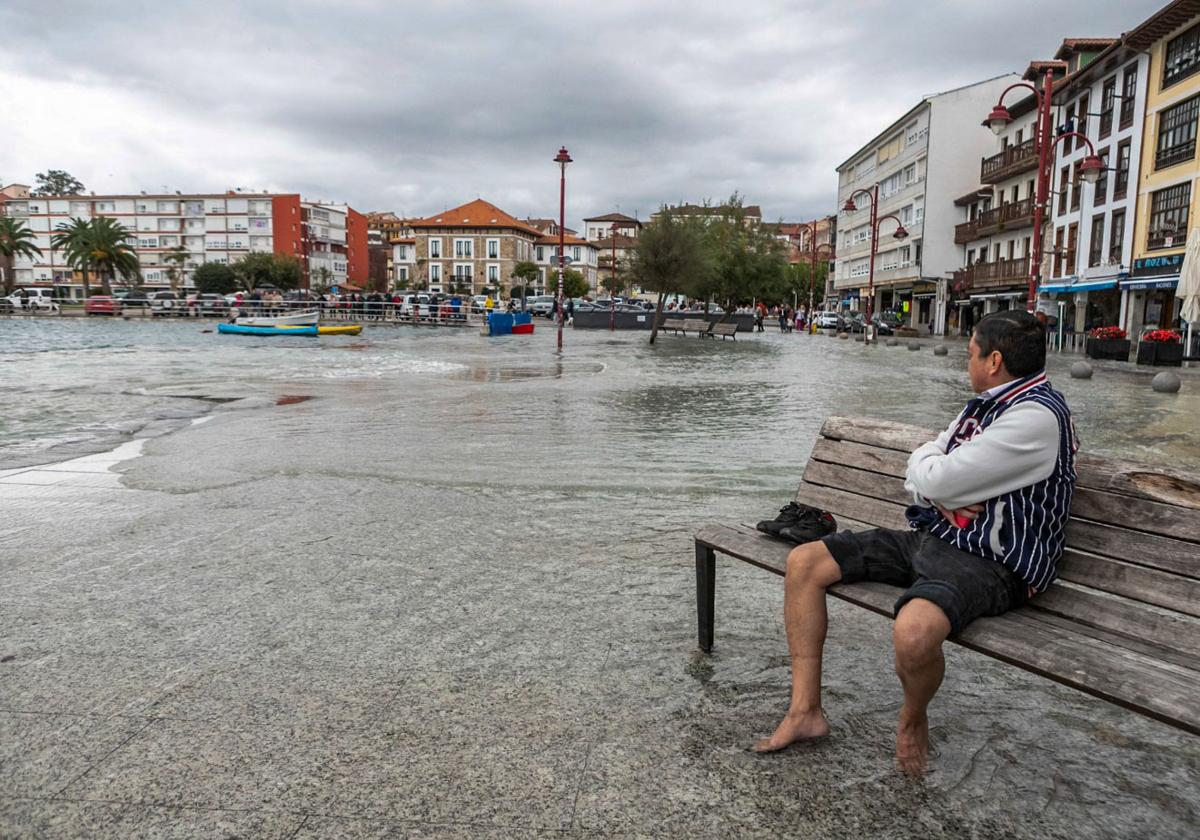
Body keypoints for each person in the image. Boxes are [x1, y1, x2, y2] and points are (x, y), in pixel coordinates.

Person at [755, 311, 1077, 775]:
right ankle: (805, 713)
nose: (966, 363)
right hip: (935, 537)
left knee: (912, 632)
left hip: (992, 562)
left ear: (994, 361)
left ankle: (912, 719)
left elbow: (938, 470)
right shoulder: (986, 404)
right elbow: (930, 466)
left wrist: (940, 479)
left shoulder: (1035, 418)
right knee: (805, 563)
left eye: (970, 354)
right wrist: (939, 484)